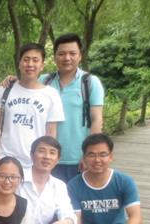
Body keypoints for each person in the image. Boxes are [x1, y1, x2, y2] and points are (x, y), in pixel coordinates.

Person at [0, 43, 64, 171]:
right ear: (19, 63)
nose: (30, 64)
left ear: (42, 65)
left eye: (35, 60)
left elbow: (51, 133)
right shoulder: (5, 89)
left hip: (35, 164)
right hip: (5, 160)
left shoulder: (51, 95)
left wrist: (46, 162)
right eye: (26, 59)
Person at [41, 34, 104, 182]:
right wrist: (12, 81)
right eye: (61, 54)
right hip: (46, 158)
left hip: (78, 160)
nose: (67, 58)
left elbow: (97, 119)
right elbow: (25, 89)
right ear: (55, 56)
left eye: (72, 53)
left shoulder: (90, 82)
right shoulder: (44, 81)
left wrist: (89, 154)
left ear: (80, 56)